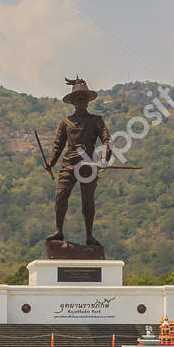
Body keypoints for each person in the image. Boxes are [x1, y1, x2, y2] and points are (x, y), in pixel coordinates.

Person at [45, 78, 111, 247]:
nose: (81, 101)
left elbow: (106, 141)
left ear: (88, 101)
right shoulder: (65, 122)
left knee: (88, 201)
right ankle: (59, 231)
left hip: (88, 165)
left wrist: (104, 159)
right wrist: (51, 161)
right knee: (60, 197)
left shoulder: (96, 121)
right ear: (73, 102)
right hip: (69, 164)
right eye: (78, 98)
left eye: (84, 98)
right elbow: (58, 145)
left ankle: (89, 235)